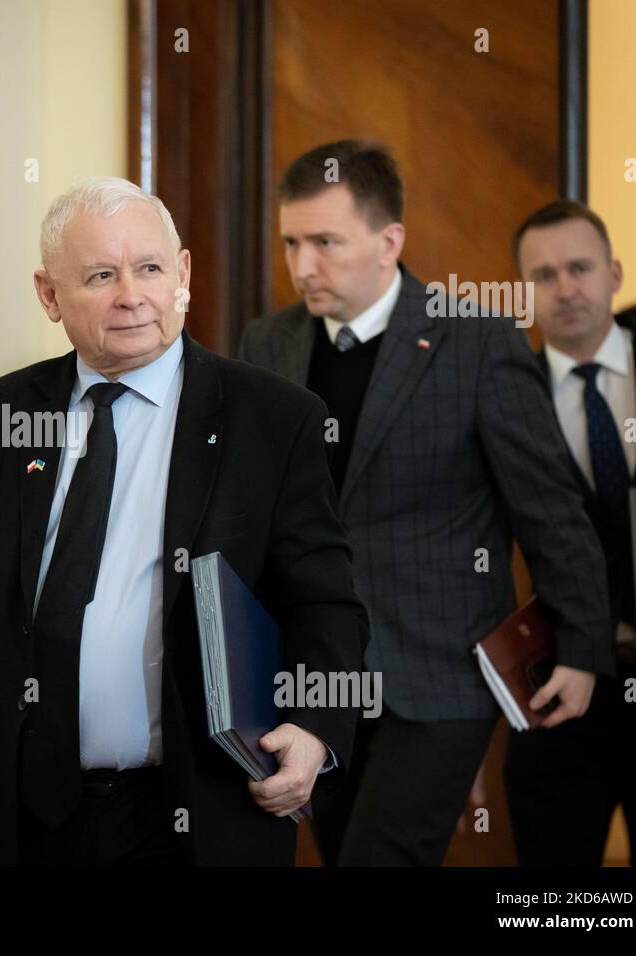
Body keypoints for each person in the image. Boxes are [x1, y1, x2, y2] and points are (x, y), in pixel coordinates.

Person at [0, 177, 368, 866]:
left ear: (183, 274)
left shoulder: (275, 419)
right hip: (17, 814)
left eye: (150, 269)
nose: (131, 295)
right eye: (101, 275)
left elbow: (326, 603)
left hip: (199, 808)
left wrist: (316, 728)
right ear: (49, 294)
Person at [238, 140, 612, 866]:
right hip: (316, 674)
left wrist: (584, 643)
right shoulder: (268, 343)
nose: (302, 265)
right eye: (291, 242)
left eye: (325, 242)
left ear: (389, 242)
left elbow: (548, 507)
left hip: (441, 675)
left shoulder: (477, 341)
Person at [506, 199, 636, 865]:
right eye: (543, 275)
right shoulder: (501, 393)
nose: (565, 288)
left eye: (579, 268)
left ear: (613, 273)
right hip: (559, 692)